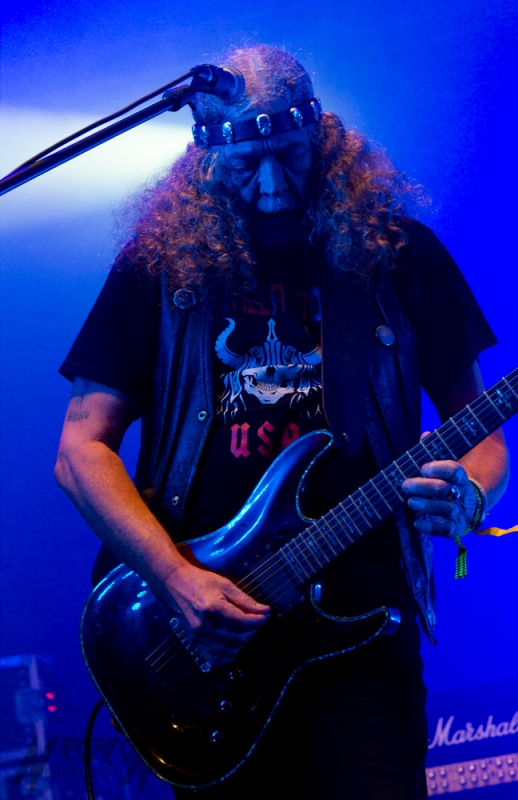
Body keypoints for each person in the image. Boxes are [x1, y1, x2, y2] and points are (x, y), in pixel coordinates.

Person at [55, 45, 509, 799]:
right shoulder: (160, 270)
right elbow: (80, 452)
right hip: (209, 634)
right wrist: (173, 578)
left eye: (291, 156)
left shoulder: (399, 257)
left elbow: (482, 433)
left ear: (323, 139)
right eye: (246, 164)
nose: (272, 188)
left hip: (365, 627)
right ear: (205, 159)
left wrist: (472, 494)